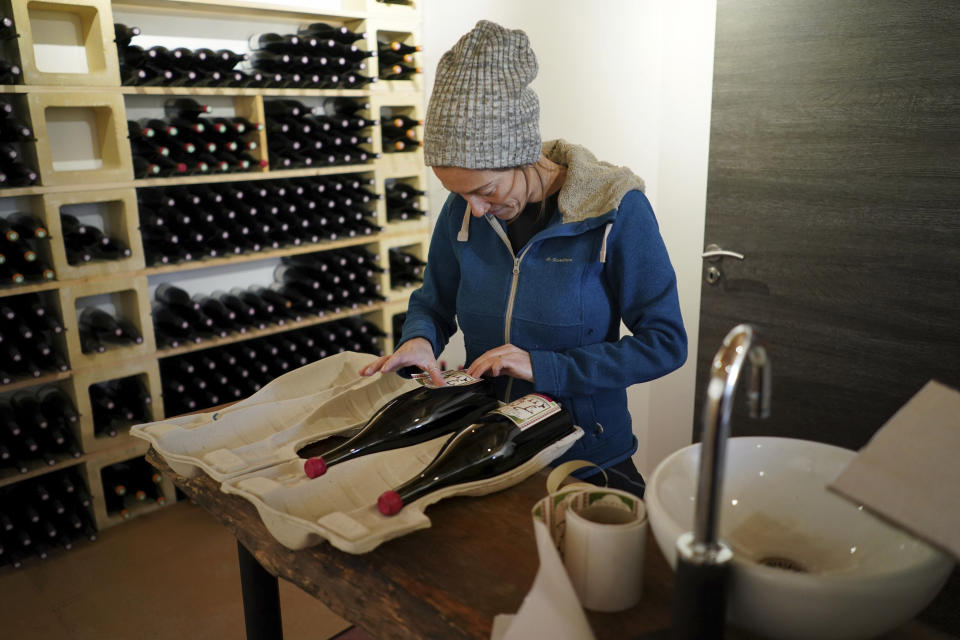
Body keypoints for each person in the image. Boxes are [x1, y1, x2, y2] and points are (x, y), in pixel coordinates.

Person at [360, 20, 686, 496]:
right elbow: (434, 300)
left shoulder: (615, 210)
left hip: (584, 457)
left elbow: (665, 343)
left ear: (524, 154)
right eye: (457, 192)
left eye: (486, 189)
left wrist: (545, 368)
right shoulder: (464, 209)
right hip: (484, 443)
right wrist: (419, 338)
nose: (473, 208)